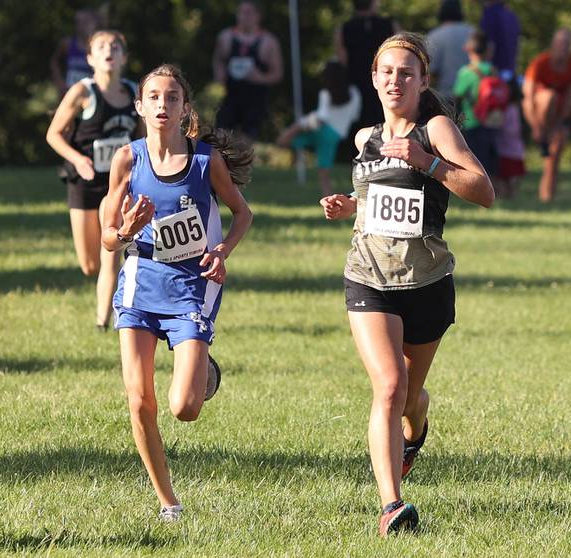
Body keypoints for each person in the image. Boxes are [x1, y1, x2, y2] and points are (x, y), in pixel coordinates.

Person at [319, 32, 494, 537]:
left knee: (411, 398)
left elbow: (483, 191)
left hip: (427, 282)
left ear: (422, 82)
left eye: (406, 73)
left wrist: (430, 164)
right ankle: (393, 505)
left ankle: (416, 431)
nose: (395, 80)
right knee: (389, 386)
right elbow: (377, 200)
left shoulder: (434, 129)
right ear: (374, 78)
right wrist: (347, 206)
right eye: (387, 72)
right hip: (368, 277)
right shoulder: (364, 138)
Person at [102, 64, 253, 522]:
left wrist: (223, 250)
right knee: (139, 400)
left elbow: (242, 213)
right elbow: (107, 238)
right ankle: (168, 501)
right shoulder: (127, 160)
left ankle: (203, 367)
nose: (162, 106)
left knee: (184, 407)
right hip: (140, 287)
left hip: (191, 287)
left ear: (185, 107)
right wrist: (124, 230)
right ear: (140, 106)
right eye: (153, 97)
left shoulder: (206, 161)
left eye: (171, 98)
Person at [46, 30, 142, 330]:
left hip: (118, 184)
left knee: (111, 250)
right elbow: (53, 134)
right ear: (90, 58)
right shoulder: (82, 92)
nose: (108, 50)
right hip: (84, 180)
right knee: (90, 264)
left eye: (115, 46)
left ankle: (104, 318)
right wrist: (78, 160)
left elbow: (141, 137)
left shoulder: (134, 92)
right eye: (100, 46)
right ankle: (107, 291)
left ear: (124, 56)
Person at [276, 61, 362, 195]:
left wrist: (300, 125)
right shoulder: (354, 93)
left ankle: (328, 196)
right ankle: (328, 194)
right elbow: (355, 116)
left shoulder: (326, 93)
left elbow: (321, 117)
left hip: (321, 131)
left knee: (286, 141)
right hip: (335, 135)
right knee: (324, 168)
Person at [522, 28, 571, 202]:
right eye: (560, 43)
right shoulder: (540, 63)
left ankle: (547, 196)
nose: (563, 47)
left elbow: (570, 99)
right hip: (537, 112)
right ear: (553, 44)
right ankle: (544, 134)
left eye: (567, 44)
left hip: (557, 117)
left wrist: (558, 126)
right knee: (550, 96)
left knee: (555, 152)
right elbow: (527, 98)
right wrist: (535, 127)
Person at [212, 0, 283, 139]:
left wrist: (260, 78)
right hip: (230, 96)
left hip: (255, 99)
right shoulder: (225, 37)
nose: (244, 16)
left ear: (258, 16)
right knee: (219, 137)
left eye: (249, 13)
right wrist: (220, 75)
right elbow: (217, 60)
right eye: (241, 12)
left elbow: (278, 74)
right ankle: (212, 160)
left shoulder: (269, 42)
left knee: (244, 144)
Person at [334, 0, 400, 132]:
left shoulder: (345, 28)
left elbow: (342, 60)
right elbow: (400, 53)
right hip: (385, 83)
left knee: (359, 128)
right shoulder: (390, 25)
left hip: (356, 86)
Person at [453, 30, 500, 179]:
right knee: (490, 156)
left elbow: (458, 96)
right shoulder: (492, 70)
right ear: (487, 50)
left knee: (473, 158)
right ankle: (493, 186)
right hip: (491, 119)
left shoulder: (465, 72)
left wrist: (457, 120)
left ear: (469, 50)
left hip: (471, 120)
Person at [50, 8, 103, 96]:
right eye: (78, 22)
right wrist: (60, 83)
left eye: (86, 22)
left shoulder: (103, 47)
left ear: (95, 23)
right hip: (69, 93)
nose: (81, 26)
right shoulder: (67, 44)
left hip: (94, 94)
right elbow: (54, 62)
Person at [427, 0, 473, 99]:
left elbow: (430, 70)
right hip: (473, 95)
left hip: (446, 96)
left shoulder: (435, 36)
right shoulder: (473, 32)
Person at [494, 77, 525, 199]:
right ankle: (508, 195)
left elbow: (511, 129)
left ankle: (508, 195)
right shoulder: (515, 109)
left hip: (508, 149)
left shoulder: (509, 109)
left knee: (509, 176)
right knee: (507, 176)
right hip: (512, 149)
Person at [479, 0, 520, 80]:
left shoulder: (490, 14)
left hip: (495, 78)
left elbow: (489, 46)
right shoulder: (512, 15)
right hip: (510, 75)